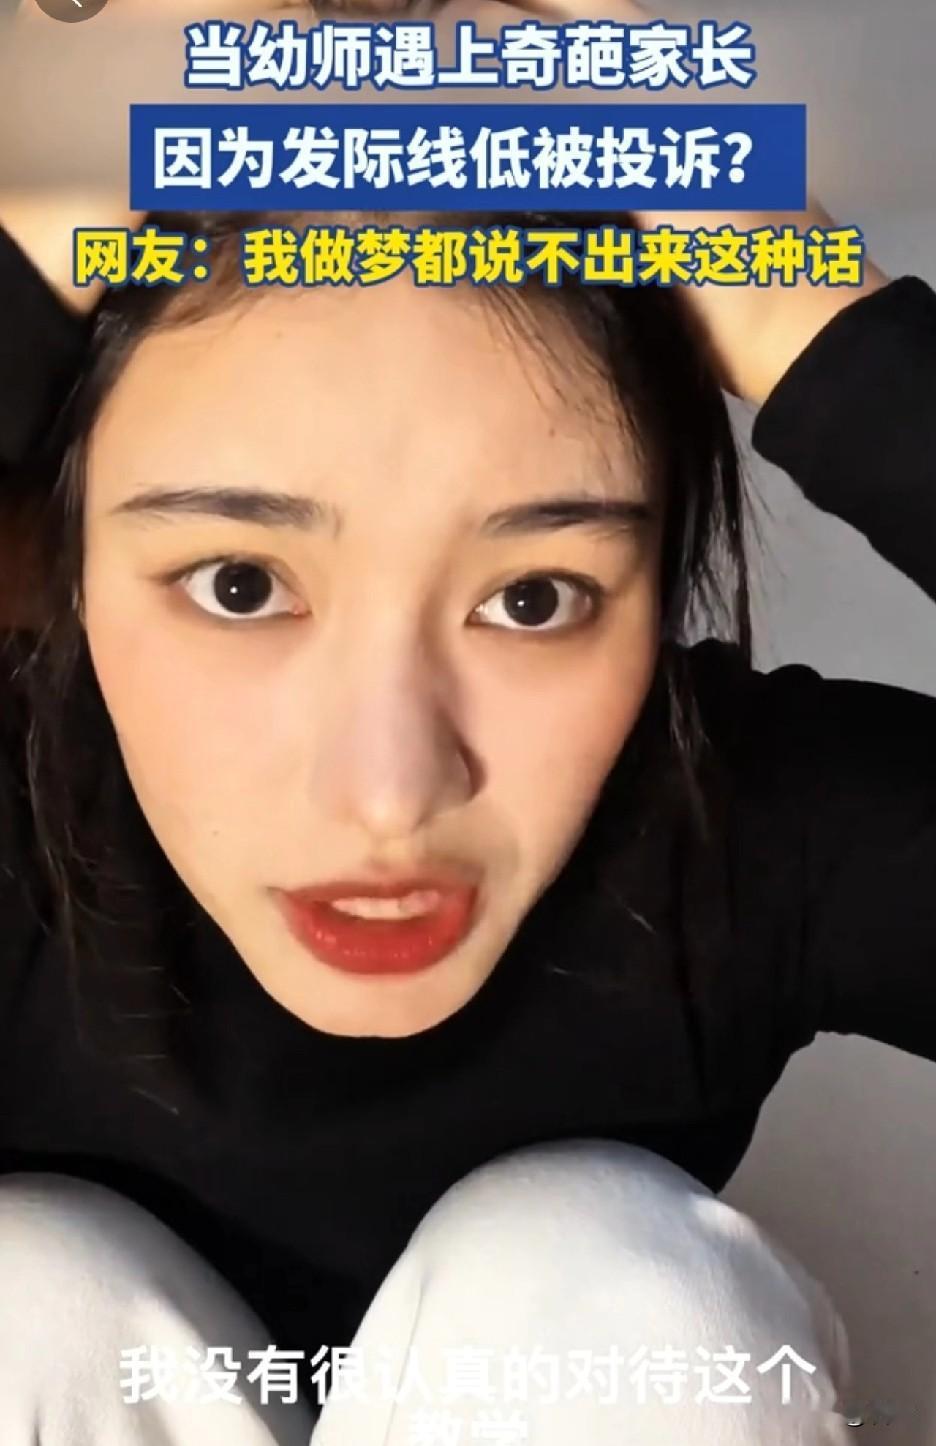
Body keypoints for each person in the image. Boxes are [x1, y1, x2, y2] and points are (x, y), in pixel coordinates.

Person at [0, 190, 934, 1446]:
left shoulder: (734, 823)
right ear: (70, 574)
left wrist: (818, 328)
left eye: (535, 598)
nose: (391, 793)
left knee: (617, 1291)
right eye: (241, 585)